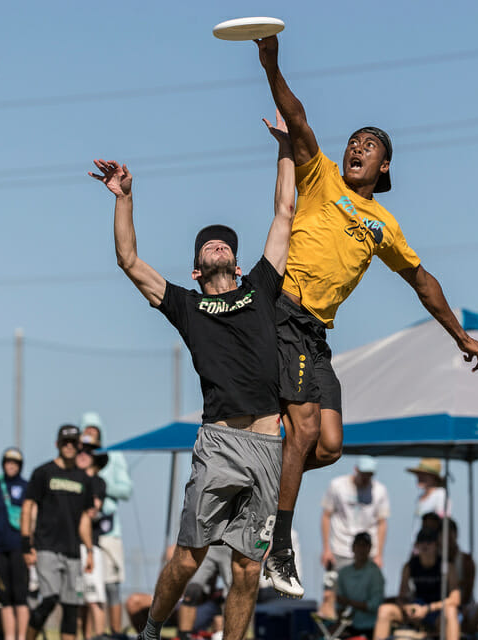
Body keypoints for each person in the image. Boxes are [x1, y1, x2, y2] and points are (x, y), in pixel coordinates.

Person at [254, 34, 478, 598]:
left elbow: (422, 280)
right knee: (305, 428)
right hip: (284, 313)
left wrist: (459, 335)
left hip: (317, 334)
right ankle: (280, 548)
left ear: (384, 165)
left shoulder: (383, 223)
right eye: (353, 141)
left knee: (330, 444)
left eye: (369, 144)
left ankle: (260, 481)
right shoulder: (322, 180)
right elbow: (299, 119)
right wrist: (271, 62)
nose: (356, 147)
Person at [89, 111, 295, 640]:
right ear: (197, 269)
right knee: (189, 557)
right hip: (221, 441)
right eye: (209, 244)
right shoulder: (187, 305)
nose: (219, 244)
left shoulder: (261, 289)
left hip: (268, 445)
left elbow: (284, 211)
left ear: (239, 262)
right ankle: (152, 629)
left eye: (226, 242)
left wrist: (287, 145)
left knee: (248, 567)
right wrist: (124, 197)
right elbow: (129, 260)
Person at [21, 424, 95, 640]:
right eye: (65, 442)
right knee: (50, 599)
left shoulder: (84, 479)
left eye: (73, 442)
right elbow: (27, 508)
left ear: (79, 445)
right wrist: (27, 544)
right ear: (57, 444)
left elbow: (83, 518)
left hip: (72, 551)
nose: (69, 446)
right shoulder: (43, 473)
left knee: (71, 607)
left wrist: (89, 550)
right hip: (46, 547)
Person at [80, 412, 133, 637]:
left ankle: (114, 633)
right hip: (82, 534)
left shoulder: (113, 456)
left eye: (95, 430)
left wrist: (98, 484)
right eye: (87, 430)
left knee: (111, 587)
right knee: (86, 592)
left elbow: (126, 490)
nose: (91, 434)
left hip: (108, 531)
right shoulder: (78, 458)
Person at [319, 456, 389, 618]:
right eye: (364, 473)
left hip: (367, 551)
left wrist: (379, 554)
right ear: (356, 470)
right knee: (330, 595)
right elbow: (326, 515)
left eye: (370, 474)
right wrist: (326, 549)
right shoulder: (337, 485)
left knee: (367, 597)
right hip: (339, 550)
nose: (366, 478)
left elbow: (382, 522)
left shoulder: (379, 491)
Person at [374, 528, 460, 640]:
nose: (425, 545)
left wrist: (428, 608)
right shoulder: (409, 566)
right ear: (416, 545)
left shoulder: (447, 566)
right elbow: (401, 597)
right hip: (416, 609)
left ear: (436, 545)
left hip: (436, 611)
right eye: (421, 542)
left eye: (429, 542)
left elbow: (455, 599)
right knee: (384, 610)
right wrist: (407, 608)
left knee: (451, 611)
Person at [0, 447, 29, 640]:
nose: (11, 466)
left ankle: (21, 636)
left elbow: (31, 520)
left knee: (20, 596)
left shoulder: (27, 487)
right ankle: (9, 637)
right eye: (8, 462)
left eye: (15, 463)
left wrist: (31, 547)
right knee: (4, 597)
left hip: (19, 548)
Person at [75, 433, 108, 640]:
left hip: (90, 547)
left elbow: (93, 509)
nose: (83, 455)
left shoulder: (97, 482)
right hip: (71, 546)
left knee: (95, 598)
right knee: (79, 601)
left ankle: (99, 635)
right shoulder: (73, 479)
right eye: (80, 451)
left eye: (88, 451)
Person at [335, 532, 385, 639]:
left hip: (371, 628)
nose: (361, 549)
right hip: (349, 627)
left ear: (370, 548)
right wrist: (338, 626)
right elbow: (339, 604)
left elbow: (375, 605)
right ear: (353, 547)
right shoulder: (344, 572)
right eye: (359, 545)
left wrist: (349, 602)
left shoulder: (375, 572)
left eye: (365, 545)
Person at [407, 460, 451, 530]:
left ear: (434, 477)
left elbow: (443, 525)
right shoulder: (420, 497)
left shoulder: (440, 495)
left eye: (424, 474)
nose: (419, 477)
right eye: (419, 474)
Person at [441, 519, 475, 605]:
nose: (446, 541)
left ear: (455, 534)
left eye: (449, 536)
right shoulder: (435, 560)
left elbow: (468, 589)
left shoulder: (466, 560)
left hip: (463, 605)